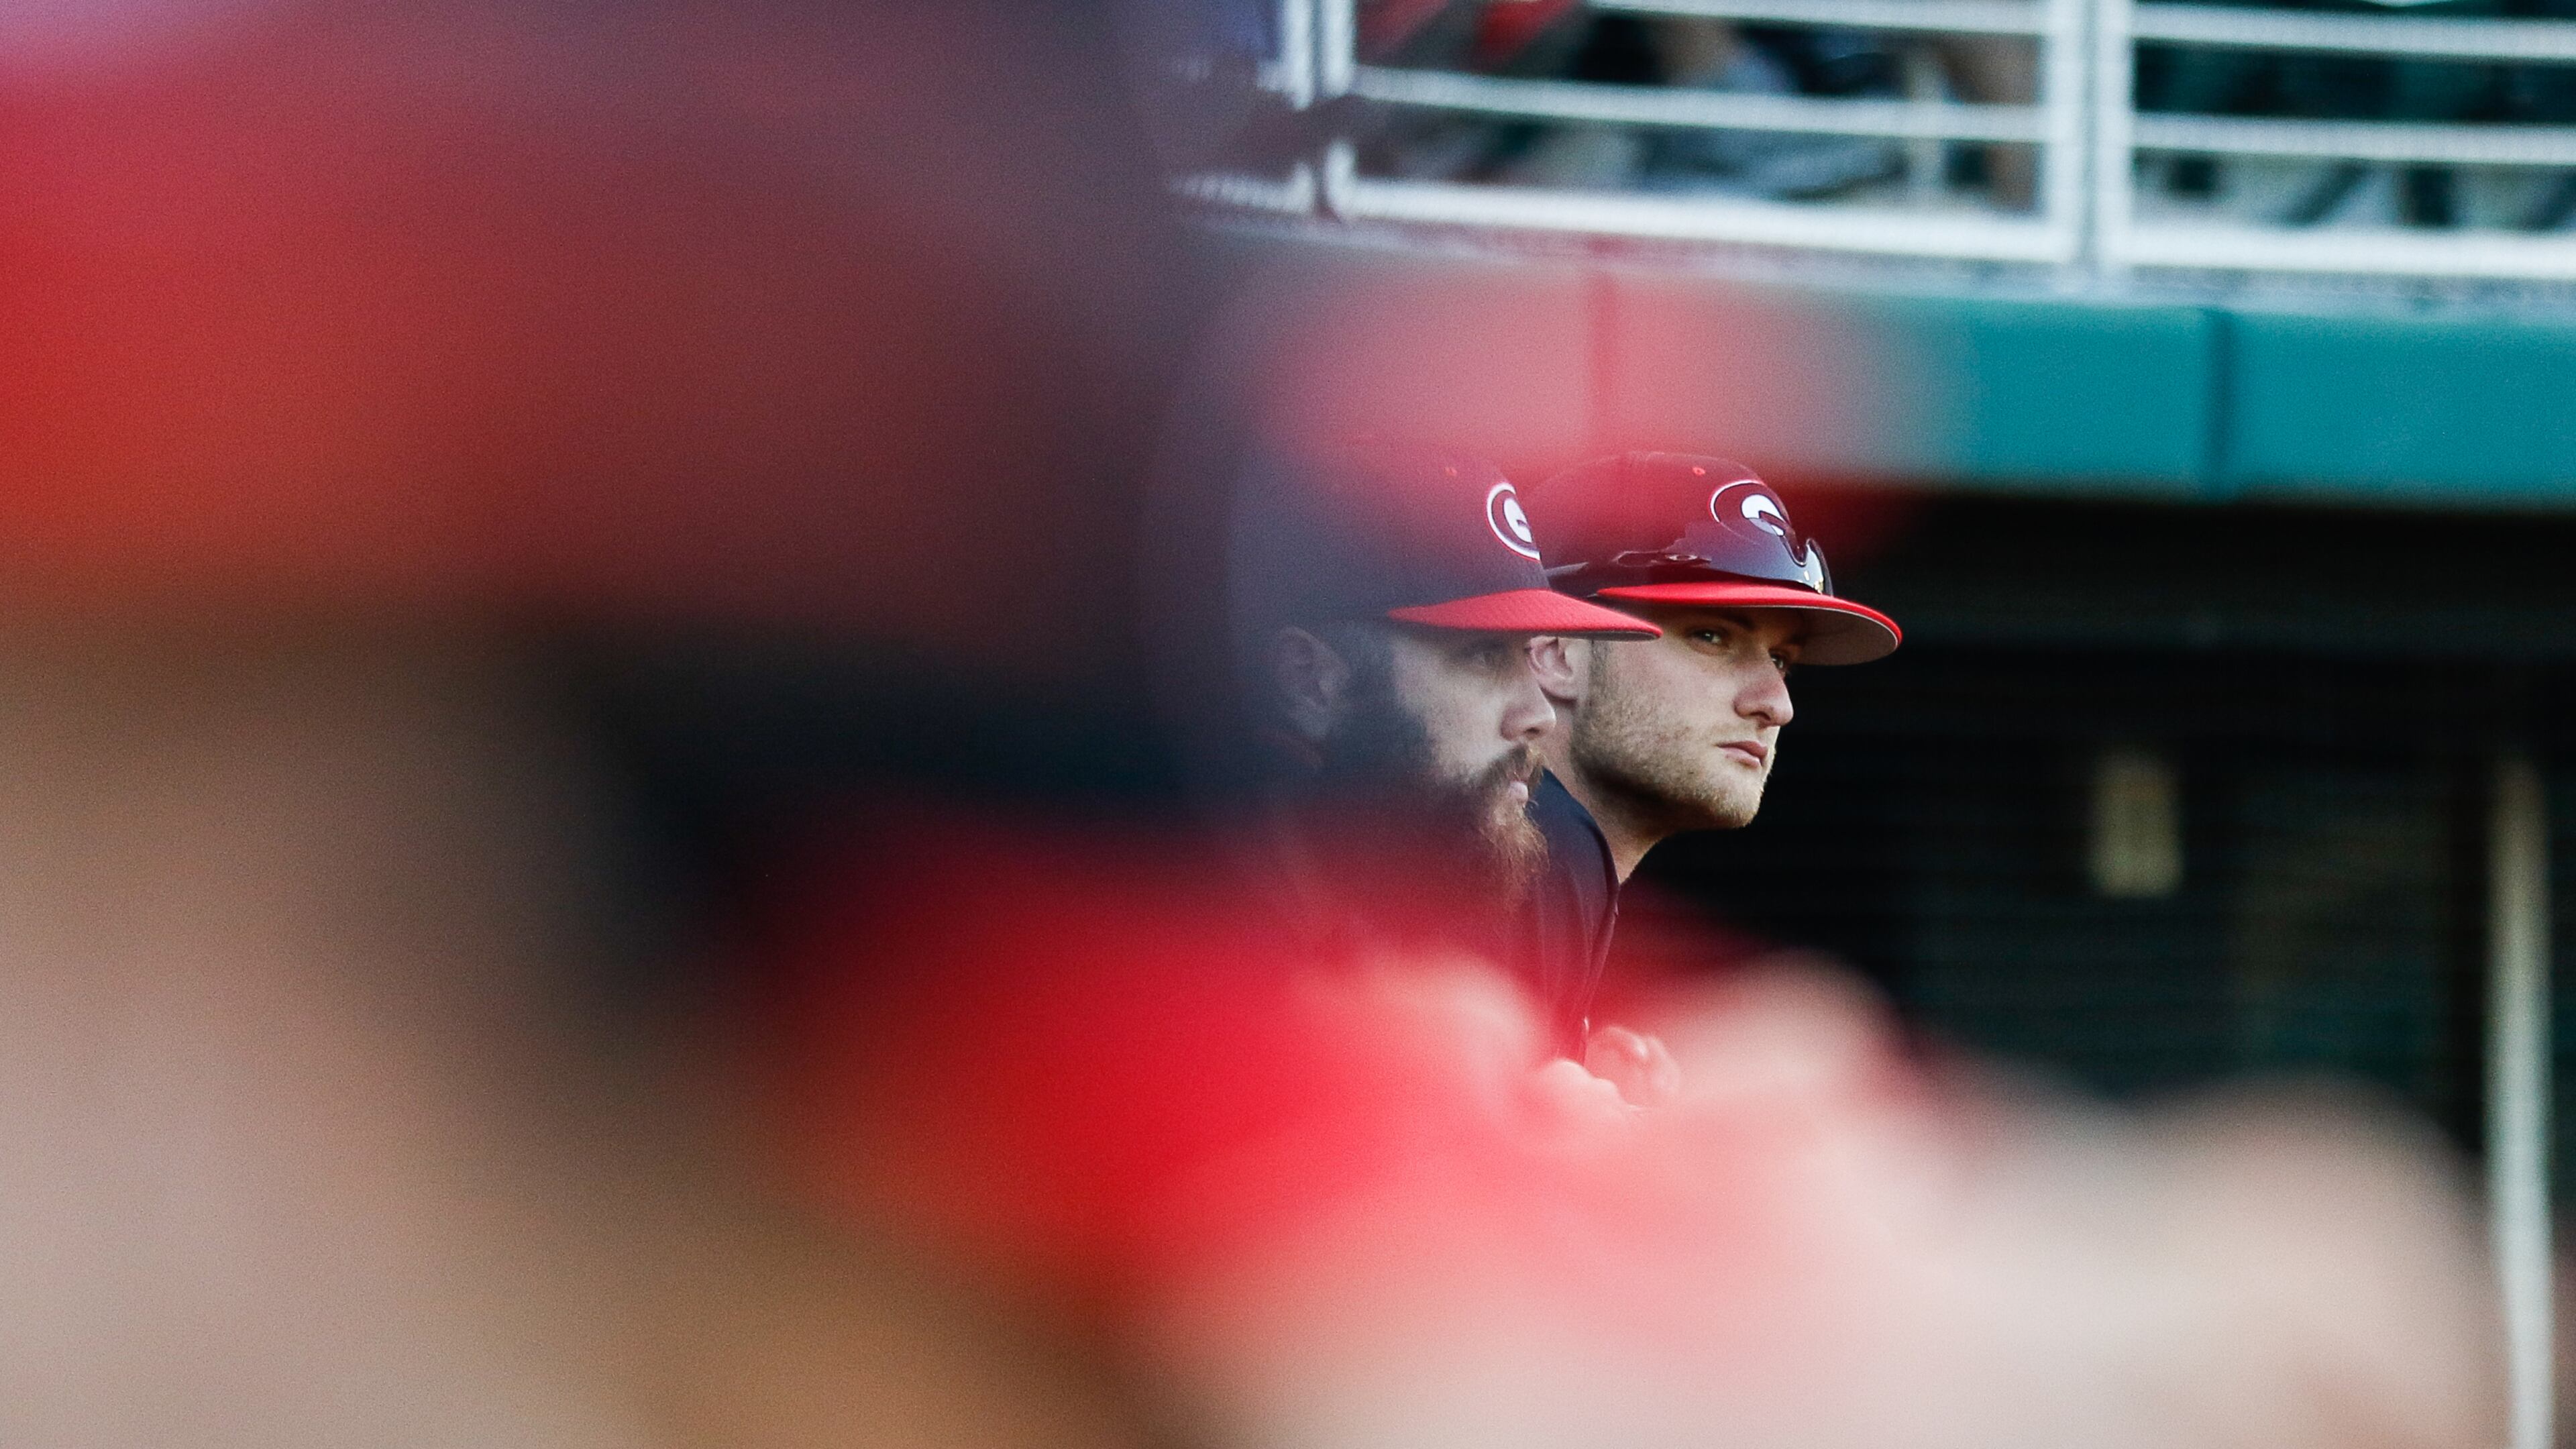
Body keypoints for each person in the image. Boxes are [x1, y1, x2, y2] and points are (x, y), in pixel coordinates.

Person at [1512, 451, 1902, 1080]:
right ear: (1556, 653)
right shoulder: (1534, 847)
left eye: (1781, 660)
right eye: (1712, 636)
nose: (1777, 704)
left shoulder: (1538, 846)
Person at [1226, 437, 1659, 953]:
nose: (1540, 714)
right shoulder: (1170, 928)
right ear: (1312, 682)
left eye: (1526, 654)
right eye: (1482, 655)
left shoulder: (1522, 873)